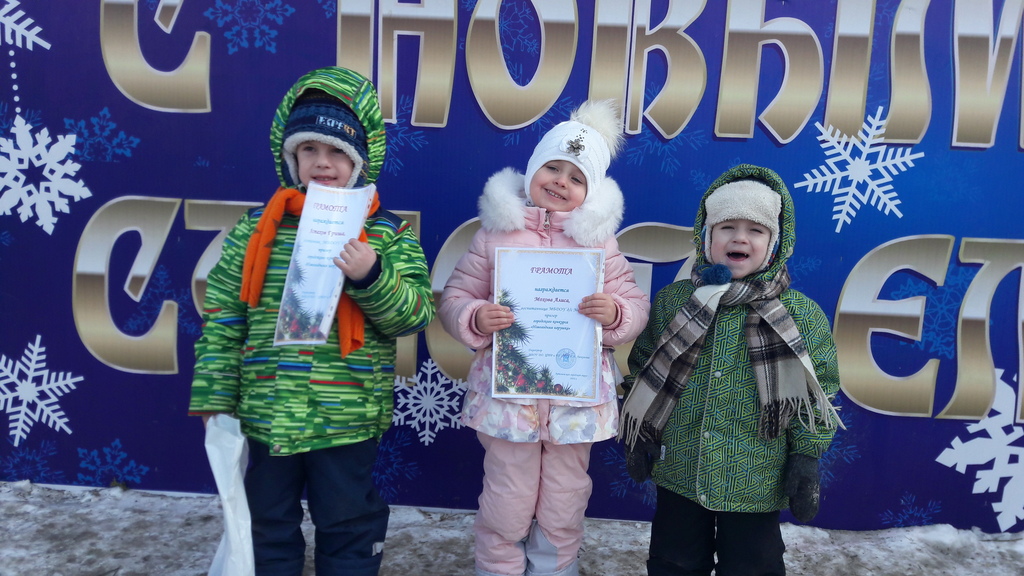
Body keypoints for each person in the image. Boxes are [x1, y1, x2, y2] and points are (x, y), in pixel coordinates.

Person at [189, 66, 435, 576]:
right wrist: (215, 394)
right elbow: (224, 317)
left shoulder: (385, 235)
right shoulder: (256, 229)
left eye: (337, 151)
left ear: (360, 160)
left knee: (349, 523)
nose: (322, 162)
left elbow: (413, 314)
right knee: (266, 522)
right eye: (308, 149)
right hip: (266, 411)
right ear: (290, 157)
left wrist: (372, 276)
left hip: (345, 416)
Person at [439, 100, 650, 576]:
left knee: (564, 497)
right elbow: (455, 297)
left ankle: (555, 568)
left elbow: (635, 306)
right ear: (533, 168)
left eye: (576, 178)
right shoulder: (495, 235)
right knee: (507, 496)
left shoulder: (600, 245)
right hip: (509, 399)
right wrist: (476, 316)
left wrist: (615, 312)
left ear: (590, 192)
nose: (560, 181)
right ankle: (498, 567)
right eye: (552, 168)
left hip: (574, 402)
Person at [620, 164, 843, 576]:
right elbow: (644, 366)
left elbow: (819, 395)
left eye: (756, 230)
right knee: (674, 561)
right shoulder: (675, 302)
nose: (740, 238)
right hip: (681, 467)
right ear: (706, 237)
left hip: (756, 476)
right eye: (727, 227)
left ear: (774, 245)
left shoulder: (800, 314)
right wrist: (642, 434)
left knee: (752, 566)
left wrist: (806, 456)